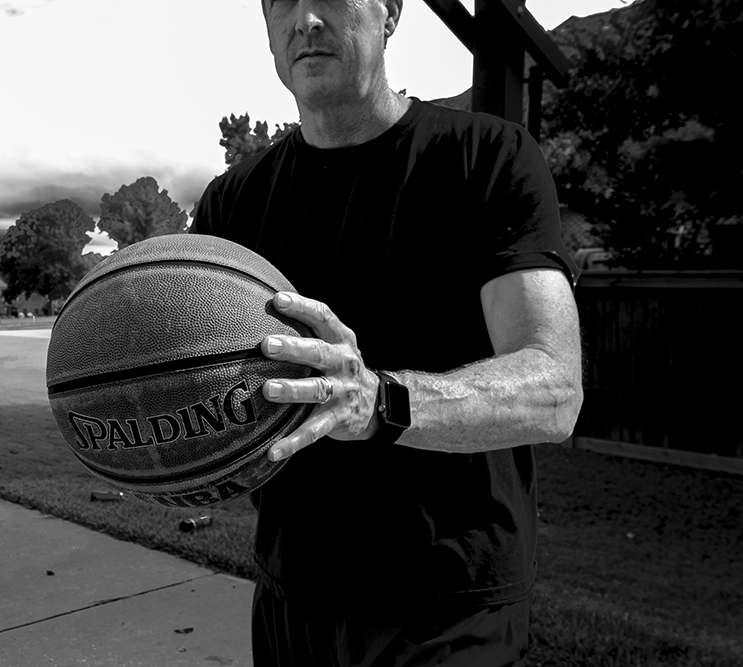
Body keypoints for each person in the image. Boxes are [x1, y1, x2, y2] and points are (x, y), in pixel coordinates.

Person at [189, 0, 584, 665]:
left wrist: (380, 401)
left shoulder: (486, 158)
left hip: (446, 601)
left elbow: (555, 388)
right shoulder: (234, 201)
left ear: (391, 13)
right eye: (282, 1)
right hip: (293, 593)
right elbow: (203, 386)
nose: (306, 19)